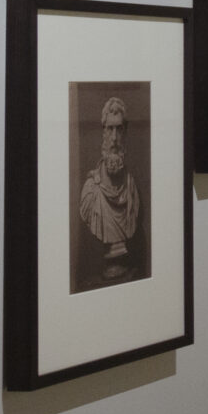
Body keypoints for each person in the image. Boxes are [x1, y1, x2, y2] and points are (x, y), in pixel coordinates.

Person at [77, 95, 141, 282]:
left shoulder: (131, 188)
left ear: (125, 133)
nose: (114, 138)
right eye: (110, 129)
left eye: (119, 129)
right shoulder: (90, 192)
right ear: (103, 132)